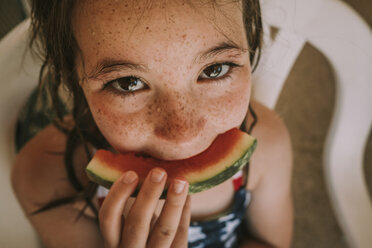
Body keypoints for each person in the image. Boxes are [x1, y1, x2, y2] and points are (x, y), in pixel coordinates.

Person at [11, 0, 293, 247]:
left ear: (251, 46)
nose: (182, 135)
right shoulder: (46, 177)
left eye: (214, 69)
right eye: (128, 83)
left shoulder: (267, 146)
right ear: (71, 78)